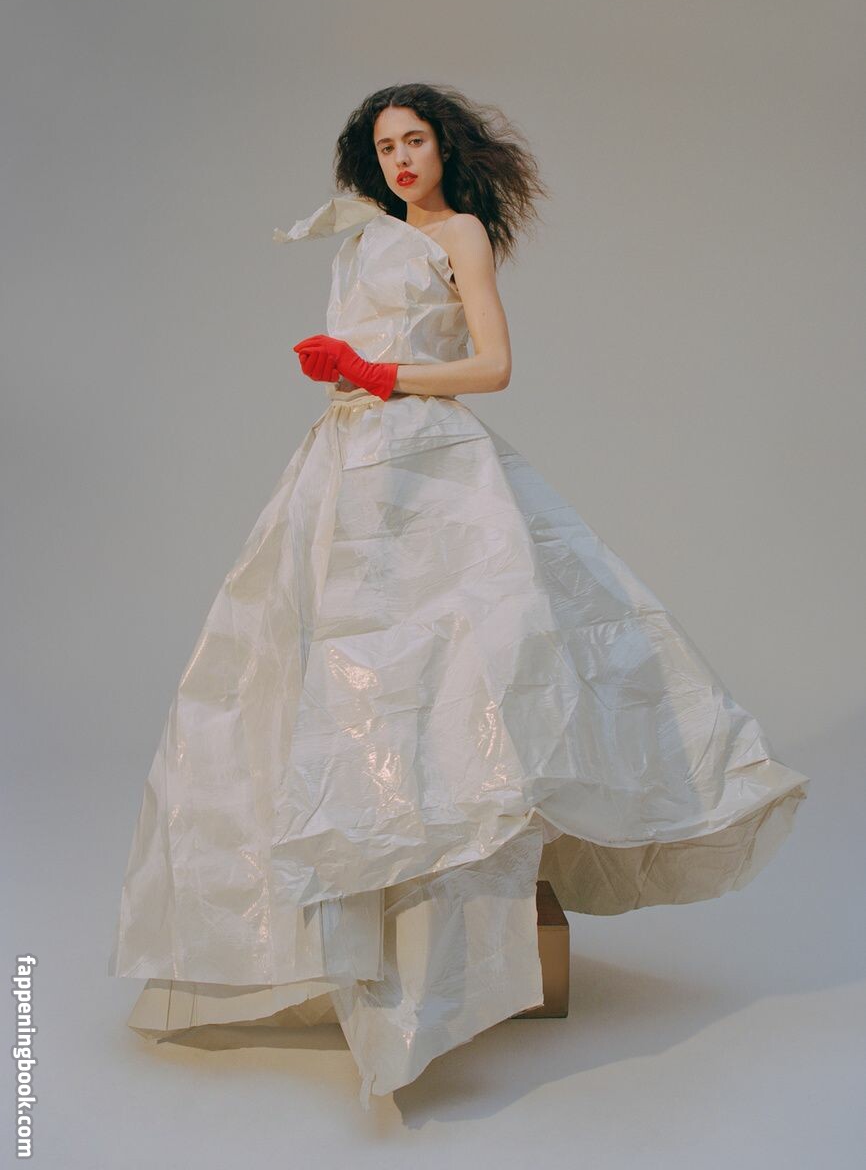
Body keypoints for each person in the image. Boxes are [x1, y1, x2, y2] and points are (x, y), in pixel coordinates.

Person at [108, 82, 810, 1111]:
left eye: (415, 141)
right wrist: (344, 375)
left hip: (430, 468)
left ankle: (449, 928)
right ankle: (352, 919)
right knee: (331, 673)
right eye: (385, 145)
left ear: (445, 149)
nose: (401, 159)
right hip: (347, 466)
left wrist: (377, 373)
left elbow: (492, 364)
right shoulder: (364, 241)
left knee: (459, 666)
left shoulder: (461, 235)